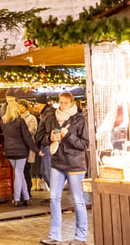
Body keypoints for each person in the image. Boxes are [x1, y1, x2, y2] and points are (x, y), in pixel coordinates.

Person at [40, 92, 89, 245]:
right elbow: (39, 137)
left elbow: (85, 144)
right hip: (58, 163)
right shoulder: (52, 118)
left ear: (72, 103)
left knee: (78, 200)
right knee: (54, 198)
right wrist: (50, 138)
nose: (62, 105)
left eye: (66, 103)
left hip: (75, 165)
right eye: (60, 102)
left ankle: (80, 236)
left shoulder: (80, 120)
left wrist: (68, 136)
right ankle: (55, 236)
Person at [0, 99, 33, 207]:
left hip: (9, 151)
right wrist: (35, 148)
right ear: (16, 110)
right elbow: (27, 137)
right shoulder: (20, 121)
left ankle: (26, 197)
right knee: (19, 173)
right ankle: (16, 199)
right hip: (21, 151)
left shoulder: (3, 122)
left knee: (19, 174)